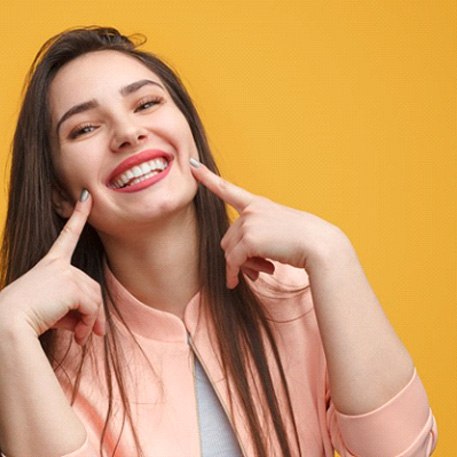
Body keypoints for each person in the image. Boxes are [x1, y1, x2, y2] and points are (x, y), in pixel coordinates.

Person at [0, 27, 437, 457]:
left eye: (147, 103)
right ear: (58, 192)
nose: (128, 132)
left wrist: (333, 252)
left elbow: (401, 451)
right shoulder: (39, 360)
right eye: (85, 128)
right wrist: (6, 330)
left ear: (188, 129)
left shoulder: (301, 295)